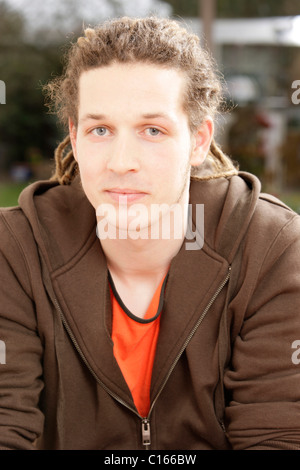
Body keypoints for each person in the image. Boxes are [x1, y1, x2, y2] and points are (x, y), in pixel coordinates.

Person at [0, 16, 300, 451]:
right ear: (75, 137)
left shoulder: (271, 248)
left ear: (198, 141)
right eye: (100, 129)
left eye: (152, 131)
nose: (122, 162)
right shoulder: (15, 249)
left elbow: (277, 436)